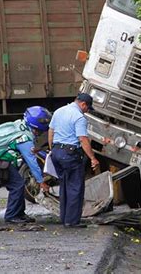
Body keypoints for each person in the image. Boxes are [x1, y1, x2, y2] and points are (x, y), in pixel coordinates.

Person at [0, 106, 51, 224]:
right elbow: (31, 162)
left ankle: (20, 213)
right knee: (17, 185)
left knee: (19, 183)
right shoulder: (24, 138)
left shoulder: (21, 125)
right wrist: (41, 181)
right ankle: (11, 215)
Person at [48, 93, 99, 228]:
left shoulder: (58, 111)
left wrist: (52, 149)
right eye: (87, 108)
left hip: (56, 152)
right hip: (70, 155)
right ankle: (71, 221)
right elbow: (82, 139)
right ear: (83, 104)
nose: (87, 111)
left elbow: (51, 131)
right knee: (75, 187)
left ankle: (64, 217)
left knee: (64, 186)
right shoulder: (79, 117)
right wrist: (92, 158)